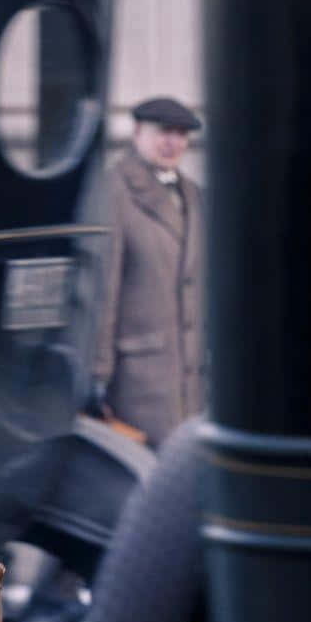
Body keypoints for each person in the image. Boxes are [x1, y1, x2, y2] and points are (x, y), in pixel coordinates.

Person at [92, 96, 206, 447]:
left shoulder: (196, 196)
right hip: (138, 382)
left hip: (191, 382)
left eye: (181, 134)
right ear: (138, 132)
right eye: (164, 132)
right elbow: (102, 291)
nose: (173, 143)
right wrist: (96, 375)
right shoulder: (113, 191)